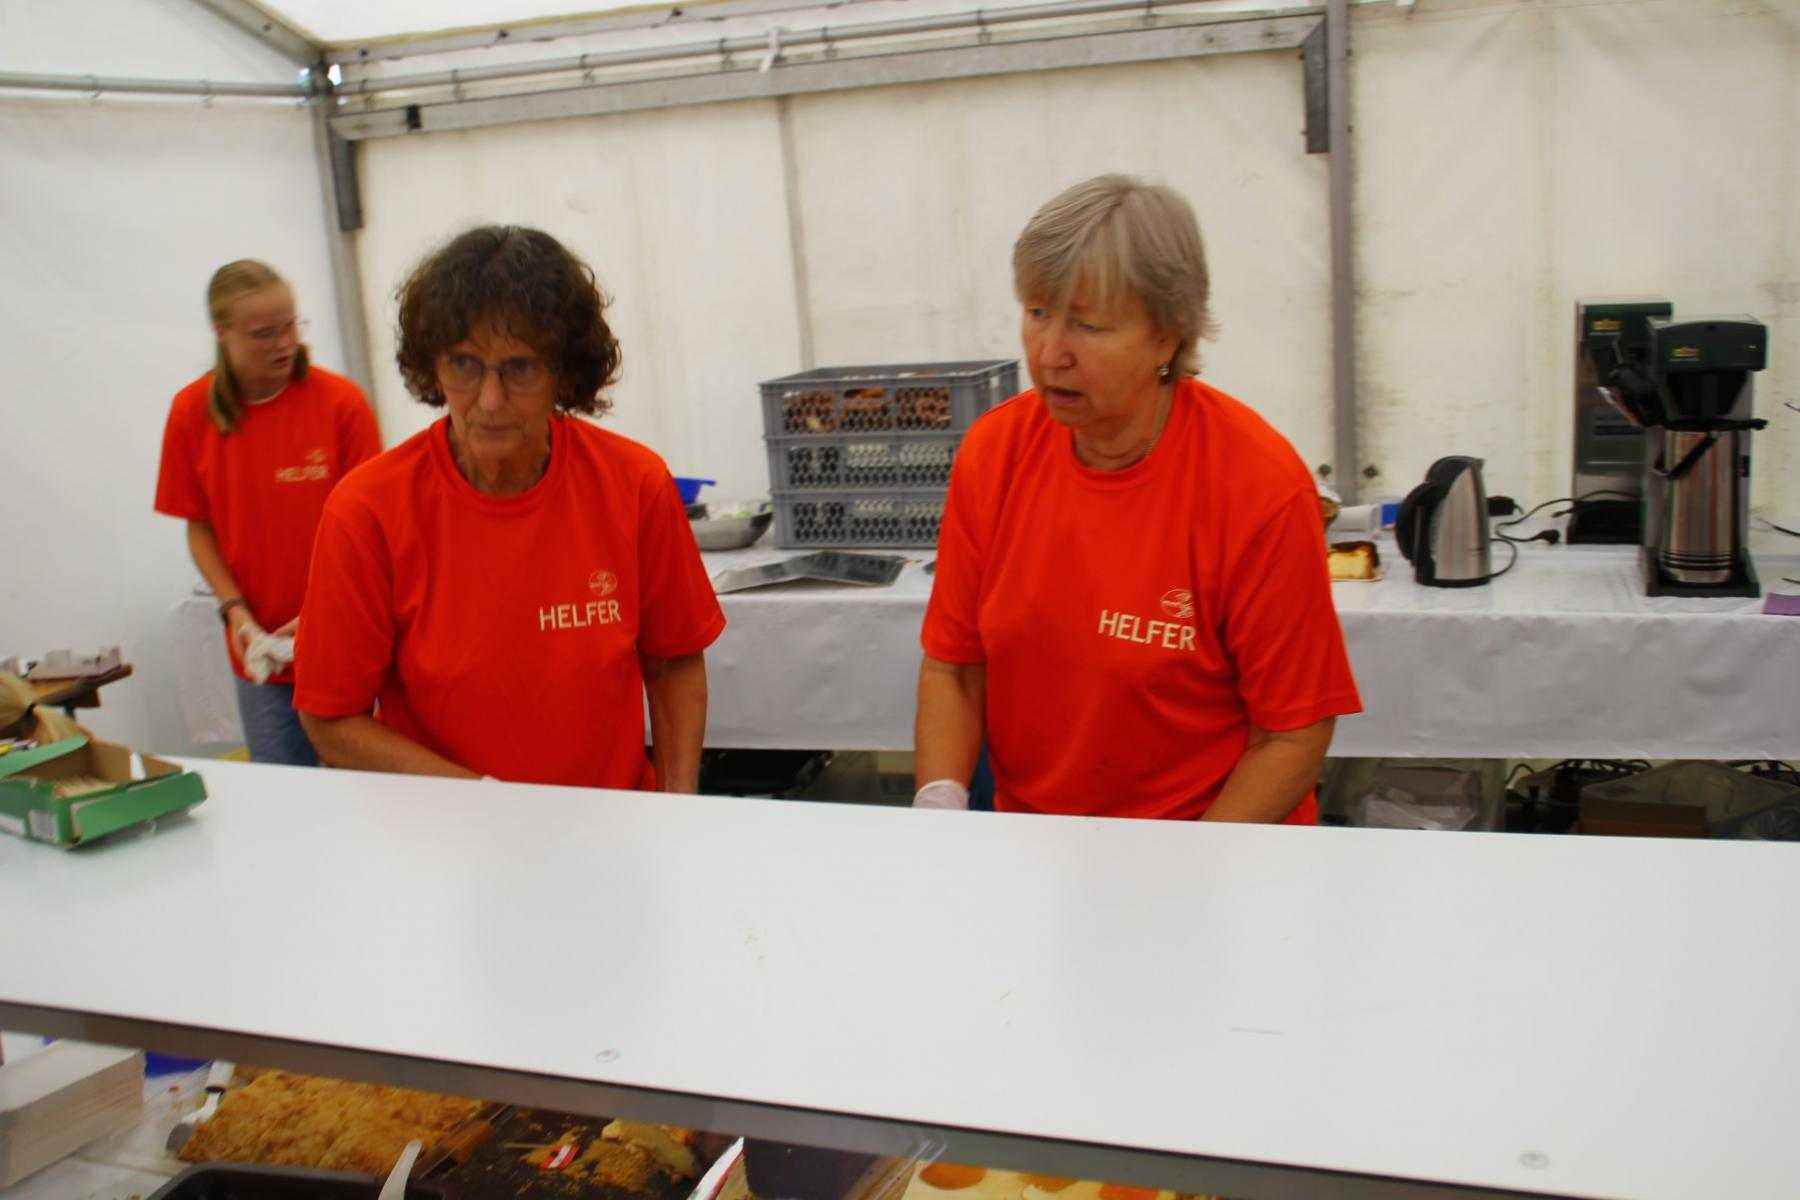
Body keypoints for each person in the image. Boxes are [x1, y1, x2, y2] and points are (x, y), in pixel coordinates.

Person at [913, 175, 1361, 821]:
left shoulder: (1257, 487)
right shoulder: (994, 454)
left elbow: (1293, 734)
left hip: (1209, 840)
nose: (1050, 354)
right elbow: (954, 669)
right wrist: (940, 806)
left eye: (1089, 325)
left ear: (1169, 335)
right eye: (1037, 313)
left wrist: (1193, 868)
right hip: (1037, 841)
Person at [293, 226, 724, 791]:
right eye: (464, 364)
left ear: (564, 373)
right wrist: (488, 804)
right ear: (432, 365)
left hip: (615, 825)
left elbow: (674, 662)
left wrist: (677, 804)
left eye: (520, 367)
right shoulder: (367, 511)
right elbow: (330, 718)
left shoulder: (634, 484)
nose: (490, 400)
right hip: (447, 833)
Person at [155, 260, 380, 766]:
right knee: (288, 794)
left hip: (348, 644)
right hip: (263, 655)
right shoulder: (191, 414)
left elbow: (375, 530)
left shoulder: (340, 404)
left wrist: (326, 609)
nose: (284, 344)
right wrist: (234, 610)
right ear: (222, 333)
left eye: (290, 326)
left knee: (366, 791)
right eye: (264, 334)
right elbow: (199, 527)